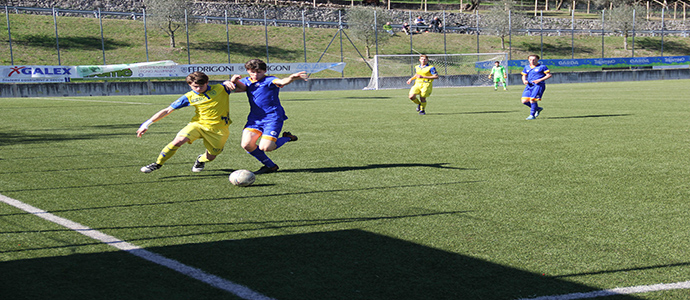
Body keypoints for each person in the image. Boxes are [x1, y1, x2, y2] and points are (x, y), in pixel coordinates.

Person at [137, 71, 236, 173]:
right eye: (195, 86)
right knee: (178, 141)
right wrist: (146, 124)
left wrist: (230, 81)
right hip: (198, 125)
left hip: (219, 129)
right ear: (190, 85)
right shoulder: (189, 96)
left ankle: (200, 160)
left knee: (211, 157)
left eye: (201, 86)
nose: (198, 89)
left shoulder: (220, 89)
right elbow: (167, 110)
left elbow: (239, 85)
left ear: (207, 82)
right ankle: (157, 164)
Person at [231, 59, 307, 174]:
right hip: (255, 119)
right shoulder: (246, 81)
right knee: (247, 145)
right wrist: (233, 81)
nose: (255, 75)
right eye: (252, 72)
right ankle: (270, 166)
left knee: (266, 147)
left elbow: (282, 82)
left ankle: (287, 138)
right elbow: (238, 88)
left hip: (273, 117)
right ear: (248, 71)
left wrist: (292, 78)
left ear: (265, 71)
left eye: (259, 72)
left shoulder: (269, 80)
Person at [521, 54, 552, 120]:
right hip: (529, 86)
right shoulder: (527, 67)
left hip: (538, 86)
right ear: (528, 60)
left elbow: (549, 75)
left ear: (537, 60)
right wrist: (524, 80)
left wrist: (539, 80)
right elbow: (524, 75)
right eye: (530, 60)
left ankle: (532, 115)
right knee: (524, 101)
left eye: (534, 60)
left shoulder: (542, 67)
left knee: (532, 100)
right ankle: (537, 109)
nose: (532, 61)